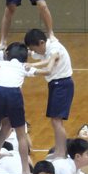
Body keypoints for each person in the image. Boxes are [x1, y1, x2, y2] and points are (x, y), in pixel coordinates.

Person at [0, 42, 55, 174]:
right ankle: (25, 171)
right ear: (25, 58)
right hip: (14, 94)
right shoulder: (23, 66)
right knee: (20, 134)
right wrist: (52, 59)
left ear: (7, 54)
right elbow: (48, 71)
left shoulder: (0, 63)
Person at [25, 28, 73, 159]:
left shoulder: (54, 47)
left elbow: (50, 61)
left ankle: (62, 153)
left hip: (62, 84)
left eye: (35, 49)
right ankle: (59, 151)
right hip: (55, 84)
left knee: (57, 121)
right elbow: (31, 53)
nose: (35, 52)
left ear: (41, 42)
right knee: (55, 121)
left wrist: (32, 66)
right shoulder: (43, 49)